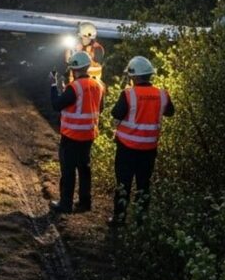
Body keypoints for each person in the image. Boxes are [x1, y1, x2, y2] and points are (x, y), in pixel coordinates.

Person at [109, 55, 174, 226]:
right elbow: (170, 112)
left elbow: (116, 113)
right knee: (144, 185)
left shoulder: (128, 94)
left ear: (134, 76)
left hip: (127, 148)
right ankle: (141, 220)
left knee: (123, 184)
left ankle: (119, 219)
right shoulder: (162, 94)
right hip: (149, 149)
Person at [49, 51, 106, 214]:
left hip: (71, 136)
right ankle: (84, 203)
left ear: (74, 69)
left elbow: (57, 105)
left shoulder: (74, 87)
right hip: (88, 135)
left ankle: (65, 204)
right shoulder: (98, 85)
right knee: (84, 169)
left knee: (68, 170)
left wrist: (53, 85)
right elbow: (100, 108)